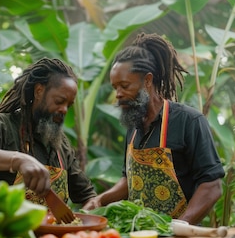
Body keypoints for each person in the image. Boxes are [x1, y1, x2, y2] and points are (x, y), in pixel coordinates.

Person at [83, 33, 225, 225]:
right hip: (142, 237)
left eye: (124, 86)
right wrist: (100, 199)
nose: (118, 94)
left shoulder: (189, 121)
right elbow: (128, 180)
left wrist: (178, 227)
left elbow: (212, 185)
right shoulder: (133, 128)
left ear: (147, 80)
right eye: (115, 87)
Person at [0, 58, 96, 208]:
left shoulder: (62, 144)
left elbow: (88, 197)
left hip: (54, 232)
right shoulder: (3, 126)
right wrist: (18, 160)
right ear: (39, 91)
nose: (64, 110)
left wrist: (87, 220)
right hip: (9, 230)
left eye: (69, 105)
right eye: (59, 101)